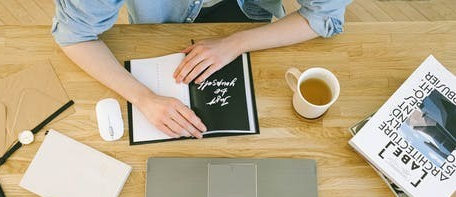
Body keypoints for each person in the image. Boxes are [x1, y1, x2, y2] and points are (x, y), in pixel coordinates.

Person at [52, 0, 350, 139]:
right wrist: (143, 97)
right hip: (155, 26)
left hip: (250, 19)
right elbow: (74, 35)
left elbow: (325, 16)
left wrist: (236, 43)